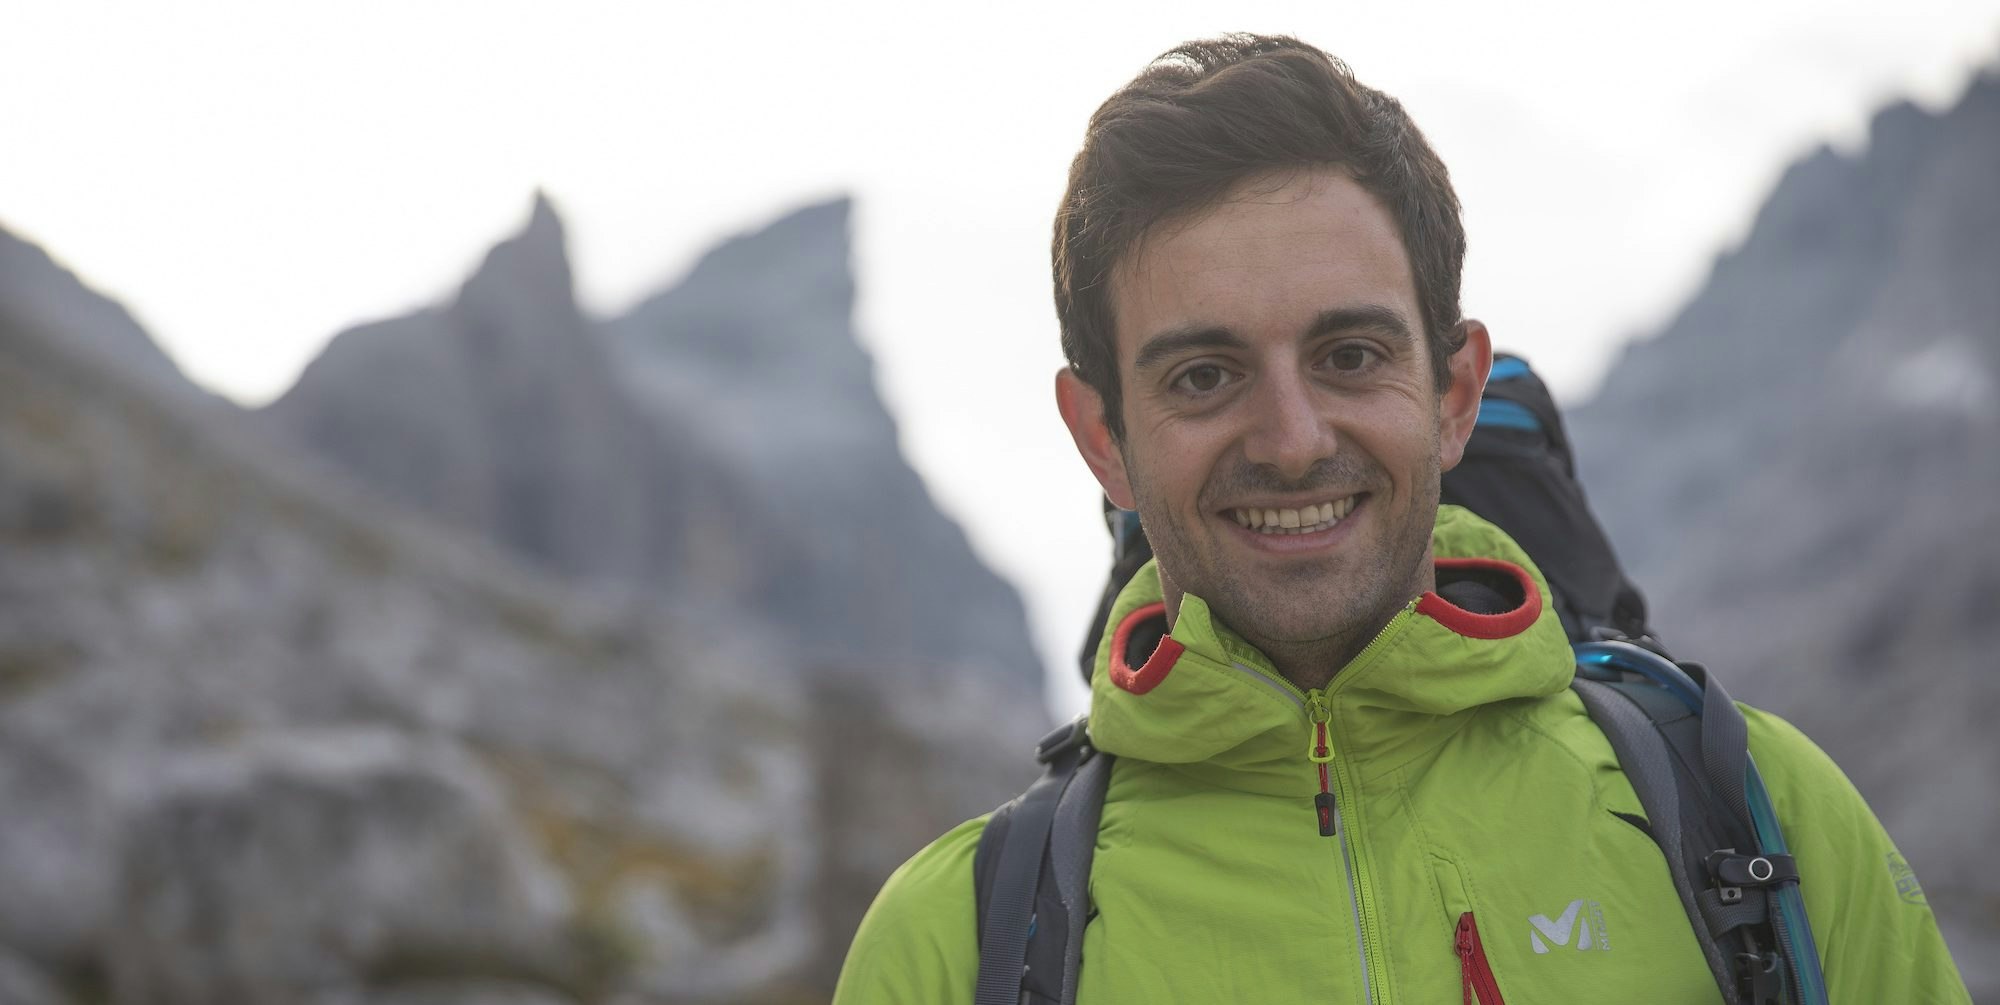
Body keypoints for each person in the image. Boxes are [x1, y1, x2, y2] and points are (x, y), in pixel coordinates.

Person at [833, 34, 1969, 1003]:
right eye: (1202, 376)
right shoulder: (951, 949)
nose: (1292, 441)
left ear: (1454, 393)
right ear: (1101, 437)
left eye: (1349, 355)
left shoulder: (1765, 818)